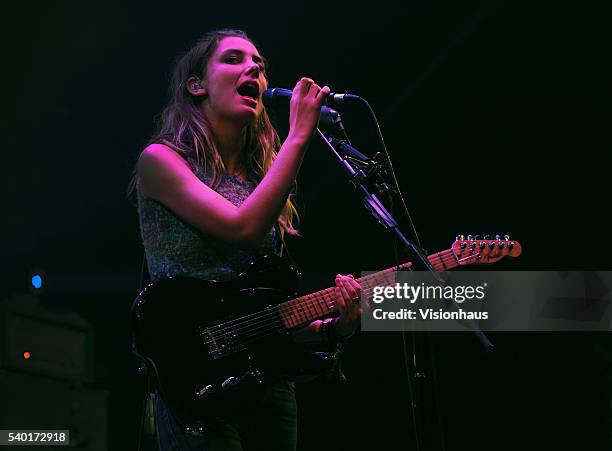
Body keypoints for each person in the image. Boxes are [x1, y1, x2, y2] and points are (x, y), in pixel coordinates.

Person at [132, 29, 362, 451]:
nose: (254, 67)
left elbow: (263, 313)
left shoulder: (264, 180)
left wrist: (334, 326)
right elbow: (243, 229)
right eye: (234, 59)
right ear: (196, 85)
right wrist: (298, 137)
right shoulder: (161, 161)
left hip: (268, 384)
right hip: (193, 382)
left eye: (259, 62)